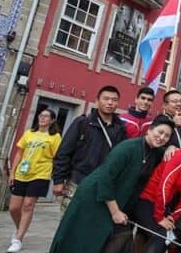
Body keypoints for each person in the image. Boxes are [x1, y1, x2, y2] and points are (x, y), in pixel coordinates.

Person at [27, 116, 174, 253]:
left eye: (167, 136)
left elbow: (170, 156)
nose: (161, 137)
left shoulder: (154, 152)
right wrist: (115, 211)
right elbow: (105, 178)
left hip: (114, 200)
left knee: (118, 236)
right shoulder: (127, 148)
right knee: (76, 240)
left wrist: (171, 148)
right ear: (149, 130)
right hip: (94, 197)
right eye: (159, 132)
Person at [52, 86, 127, 217]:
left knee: (89, 224)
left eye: (114, 100)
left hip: (102, 185)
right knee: (68, 221)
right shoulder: (83, 123)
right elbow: (64, 152)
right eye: (106, 99)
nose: (110, 103)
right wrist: (58, 180)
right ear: (97, 100)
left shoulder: (120, 128)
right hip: (78, 181)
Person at [7, 109, 62, 253]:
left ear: (52, 120)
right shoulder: (29, 133)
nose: (42, 118)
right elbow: (19, 153)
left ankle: (18, 238)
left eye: (46, 116)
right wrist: (12, 172)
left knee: (28, 205)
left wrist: (58, 178)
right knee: (14, 208)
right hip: (22, 173)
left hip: (40, 174)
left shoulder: (55, 137)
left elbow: (58, 157)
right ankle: (20, 228)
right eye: (41, 115)